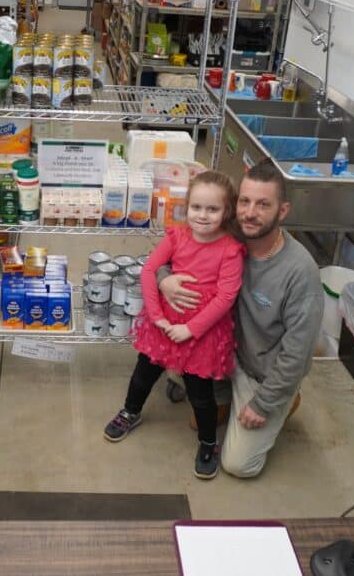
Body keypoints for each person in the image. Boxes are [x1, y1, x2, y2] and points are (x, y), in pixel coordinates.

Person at [159, 159, 323, 478]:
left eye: (264, 204)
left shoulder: (299, 272)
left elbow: (298, 350)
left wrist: (265, 402)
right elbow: (167, 255)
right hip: (223, 350)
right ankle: (224, 396)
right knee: (182, 385)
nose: (250, 212)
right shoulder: (228, 232)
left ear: (283, 210)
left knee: (238, 466)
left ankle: (284, 400)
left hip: (262, 371)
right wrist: (165, 279)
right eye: (244, 202)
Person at [103, 171, 246, 480]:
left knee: (201, 394)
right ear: (187, 207)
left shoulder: (231, 250)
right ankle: (131, 411)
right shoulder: (176, 237)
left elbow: (225, 298)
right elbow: (149, 272)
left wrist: (191, 329)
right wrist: (157, 318)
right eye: (197, 207)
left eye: (213, 209)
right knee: (143, 374)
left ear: (227, 211)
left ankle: (208, 442)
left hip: (202, 332)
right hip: (165, 323)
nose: (203, 216)